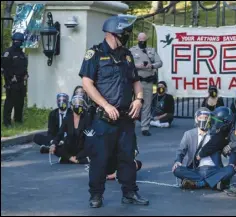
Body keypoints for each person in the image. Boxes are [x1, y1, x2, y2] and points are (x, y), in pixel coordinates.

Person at [79, 15, 148, 208]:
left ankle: (129, 193)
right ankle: (96, 195)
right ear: (113, 33)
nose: (127, 35)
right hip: (104, 119)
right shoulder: (95, 54)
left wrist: (139, 99)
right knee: (100, 158)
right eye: (124, 32)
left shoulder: (126, 55)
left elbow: (135, 81)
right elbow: (86, 83)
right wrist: (105, 105)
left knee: (127, 157)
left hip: (126, 117)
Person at [172, 107, 236, 190]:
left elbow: (230, 151)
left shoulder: (217, 134)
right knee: (177, 170)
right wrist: (178, 161)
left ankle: (199, 183)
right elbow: (181, 150)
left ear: (210, 119)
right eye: (200, 117)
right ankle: (214, 182)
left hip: (214, 169)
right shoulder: (189, 134)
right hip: (196, 170)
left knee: (231, 169)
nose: (203, 120)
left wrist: (231, 162)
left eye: (206, 118)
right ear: (196, 119)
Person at [130, 32, 163, 136]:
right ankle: (130, 124)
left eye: (144, 40)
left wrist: (151, 66)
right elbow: (127, 64)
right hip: (136, 82)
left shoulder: (151, 50)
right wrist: (138, 65)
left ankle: (145, 127)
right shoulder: (132, 50)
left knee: (147, 105)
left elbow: (160, 63)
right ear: (137, 39)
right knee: (133, 104)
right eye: (141, 40)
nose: (142, 42)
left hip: (148, 81)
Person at [48, 96, 90, 164]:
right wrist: (53, 145)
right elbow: (59, 134)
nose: (78, 106)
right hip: (69, 147)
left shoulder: (86, 119)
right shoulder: (67, 119)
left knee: (92, 146)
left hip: (82, 148)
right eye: (76, 104)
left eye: (80, 104)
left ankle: (70, 158)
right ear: (71, 106)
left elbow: (90, 137)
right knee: (57, 149)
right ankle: (74, 159)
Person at [1, 32, 28, 127]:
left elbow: (24, 66)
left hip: (21, 82)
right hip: (12, 81)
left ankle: (18, 120)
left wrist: (26, 74)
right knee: (10, 102)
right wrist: (11, 77)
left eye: (20, 41)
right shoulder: (8, 52)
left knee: (20, 102)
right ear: (13, 41)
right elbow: (4, 67)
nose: (18, 42)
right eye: (16, 41)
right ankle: (7, 122)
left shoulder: (22, 54)